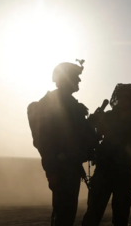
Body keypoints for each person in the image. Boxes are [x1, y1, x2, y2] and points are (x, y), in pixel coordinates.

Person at [27, 62, 97, 226]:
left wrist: (91, 125)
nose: (78, 81)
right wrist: (52, 170)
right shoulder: (49, 104)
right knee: (63, 215)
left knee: (68, 214)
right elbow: (43, 142)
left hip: (71, 167)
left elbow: (79, 135)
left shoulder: (73, 106)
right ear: (65, 79)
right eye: (75, 78)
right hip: (61, 168)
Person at [81, 84, 131, 226]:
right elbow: (93, 136)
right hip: (104, 170)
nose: (122, 100)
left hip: (125, 173)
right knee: (93, 213)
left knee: (121, 216)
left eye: (126, 97)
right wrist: (95, 123)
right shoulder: (107, 116)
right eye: (121, 96)